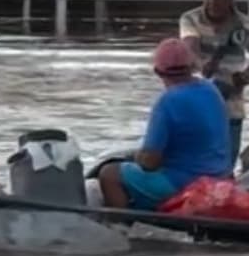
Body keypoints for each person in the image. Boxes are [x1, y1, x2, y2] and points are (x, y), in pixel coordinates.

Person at [98, 38, 232, 210]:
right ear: (192, 66)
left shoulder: (167, 102)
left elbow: (150, 162)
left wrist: (137, 156)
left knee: (109, 174)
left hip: (184, 182)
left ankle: (121, 226)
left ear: (158, 72)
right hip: (220, 175)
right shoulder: (211, 90)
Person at [179, 0, 249, 165]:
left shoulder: (246, 25)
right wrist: (203, 64)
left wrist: (246, 75)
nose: (212, 1)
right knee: (196, 163)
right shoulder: (190, 19)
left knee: (226, 164)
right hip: (198, 105)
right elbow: (189, 48)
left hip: (232, 105)